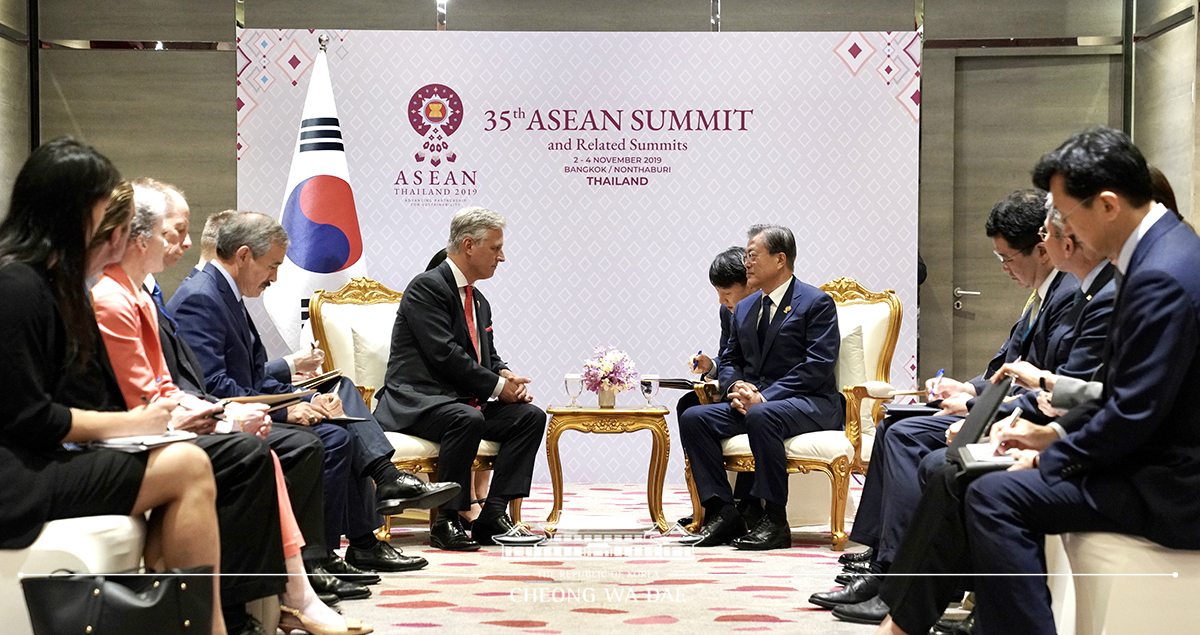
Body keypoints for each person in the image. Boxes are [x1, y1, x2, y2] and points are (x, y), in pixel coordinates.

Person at [876, 126, 1200, 635]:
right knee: (982, 481)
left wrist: (1052, 455)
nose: (1059, 235)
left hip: (1172, 484)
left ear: (1108, 205)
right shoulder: (1168, 251)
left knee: (995, 494)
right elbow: (1124, 395)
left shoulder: (1158, 275)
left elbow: (1134, 413)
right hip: (1157, 461)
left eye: (1065, 218)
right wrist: (1051, 435)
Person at [92, 184, 369, 634]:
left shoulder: (140, 294)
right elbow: (144, 400)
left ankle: (287, 593)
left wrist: (223, 413)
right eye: (174, 232)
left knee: (269, 443)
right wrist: (224, 414)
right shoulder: (117, 296)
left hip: (158, 424)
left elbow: (164, 387)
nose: (186, 245)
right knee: (253, 452)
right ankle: (255, 606)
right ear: (136, 237)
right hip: (123, 441)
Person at [812, 189, 1082, 619]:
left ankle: (893, 572)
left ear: (1044, 248)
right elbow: (1004, 365)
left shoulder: (1069, 295)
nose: (1005, 269)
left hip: (1016, 415)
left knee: (904, 437)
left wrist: (981, 407)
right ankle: (882, 554)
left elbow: (1055, 385)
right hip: (1002, 404)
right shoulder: (1045, 293)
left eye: (1008, 258)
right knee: (895, 421)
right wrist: (969, 390)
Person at [0, 138, 228, 634]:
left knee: (189, 458)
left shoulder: (57, 285)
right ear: (72, 212)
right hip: (16, 475)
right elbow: (28, 417)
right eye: (105, 214)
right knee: (189, 465)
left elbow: (77, 398)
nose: (113, 234)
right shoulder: (17, 287)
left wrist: (148, 424)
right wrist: (134, 422)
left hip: (42, 457)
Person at [167, 212, 458, 578]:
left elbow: (253, 376)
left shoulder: (224, 293)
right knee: (336, 437)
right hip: (222, 421)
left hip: (245, 408)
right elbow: (213, 389)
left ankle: (343, 545)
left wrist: (306, 402)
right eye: (272, 266)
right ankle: (321, 555)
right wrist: (290, 410)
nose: (274, 278)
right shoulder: (203, 298)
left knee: (338, 415)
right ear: (243, 256)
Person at [374, 207, 547, 551]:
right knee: (465, 419)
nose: (502, 256)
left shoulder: (478, 300)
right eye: (495, 248)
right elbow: (445, 355)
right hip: (419, 403)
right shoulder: (427, 288)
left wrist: (504, 374)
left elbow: (487, 355)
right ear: (469, 245)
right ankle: (447, 521)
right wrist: (499, 388)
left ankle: (493, 516)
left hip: (460, 404)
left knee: (529, 417)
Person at [679, 224, 844, 551]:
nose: (746, 263)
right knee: (694, 417)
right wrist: (736, 386)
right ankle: (723, 512)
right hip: (757, 405)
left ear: (780, 259)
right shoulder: (744, 308)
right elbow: (729, 359)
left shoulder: (816, 303)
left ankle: (774, 520)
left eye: (752, 255)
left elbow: (817, 367)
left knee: (763, 415)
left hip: (809, 404)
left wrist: (764, 396)